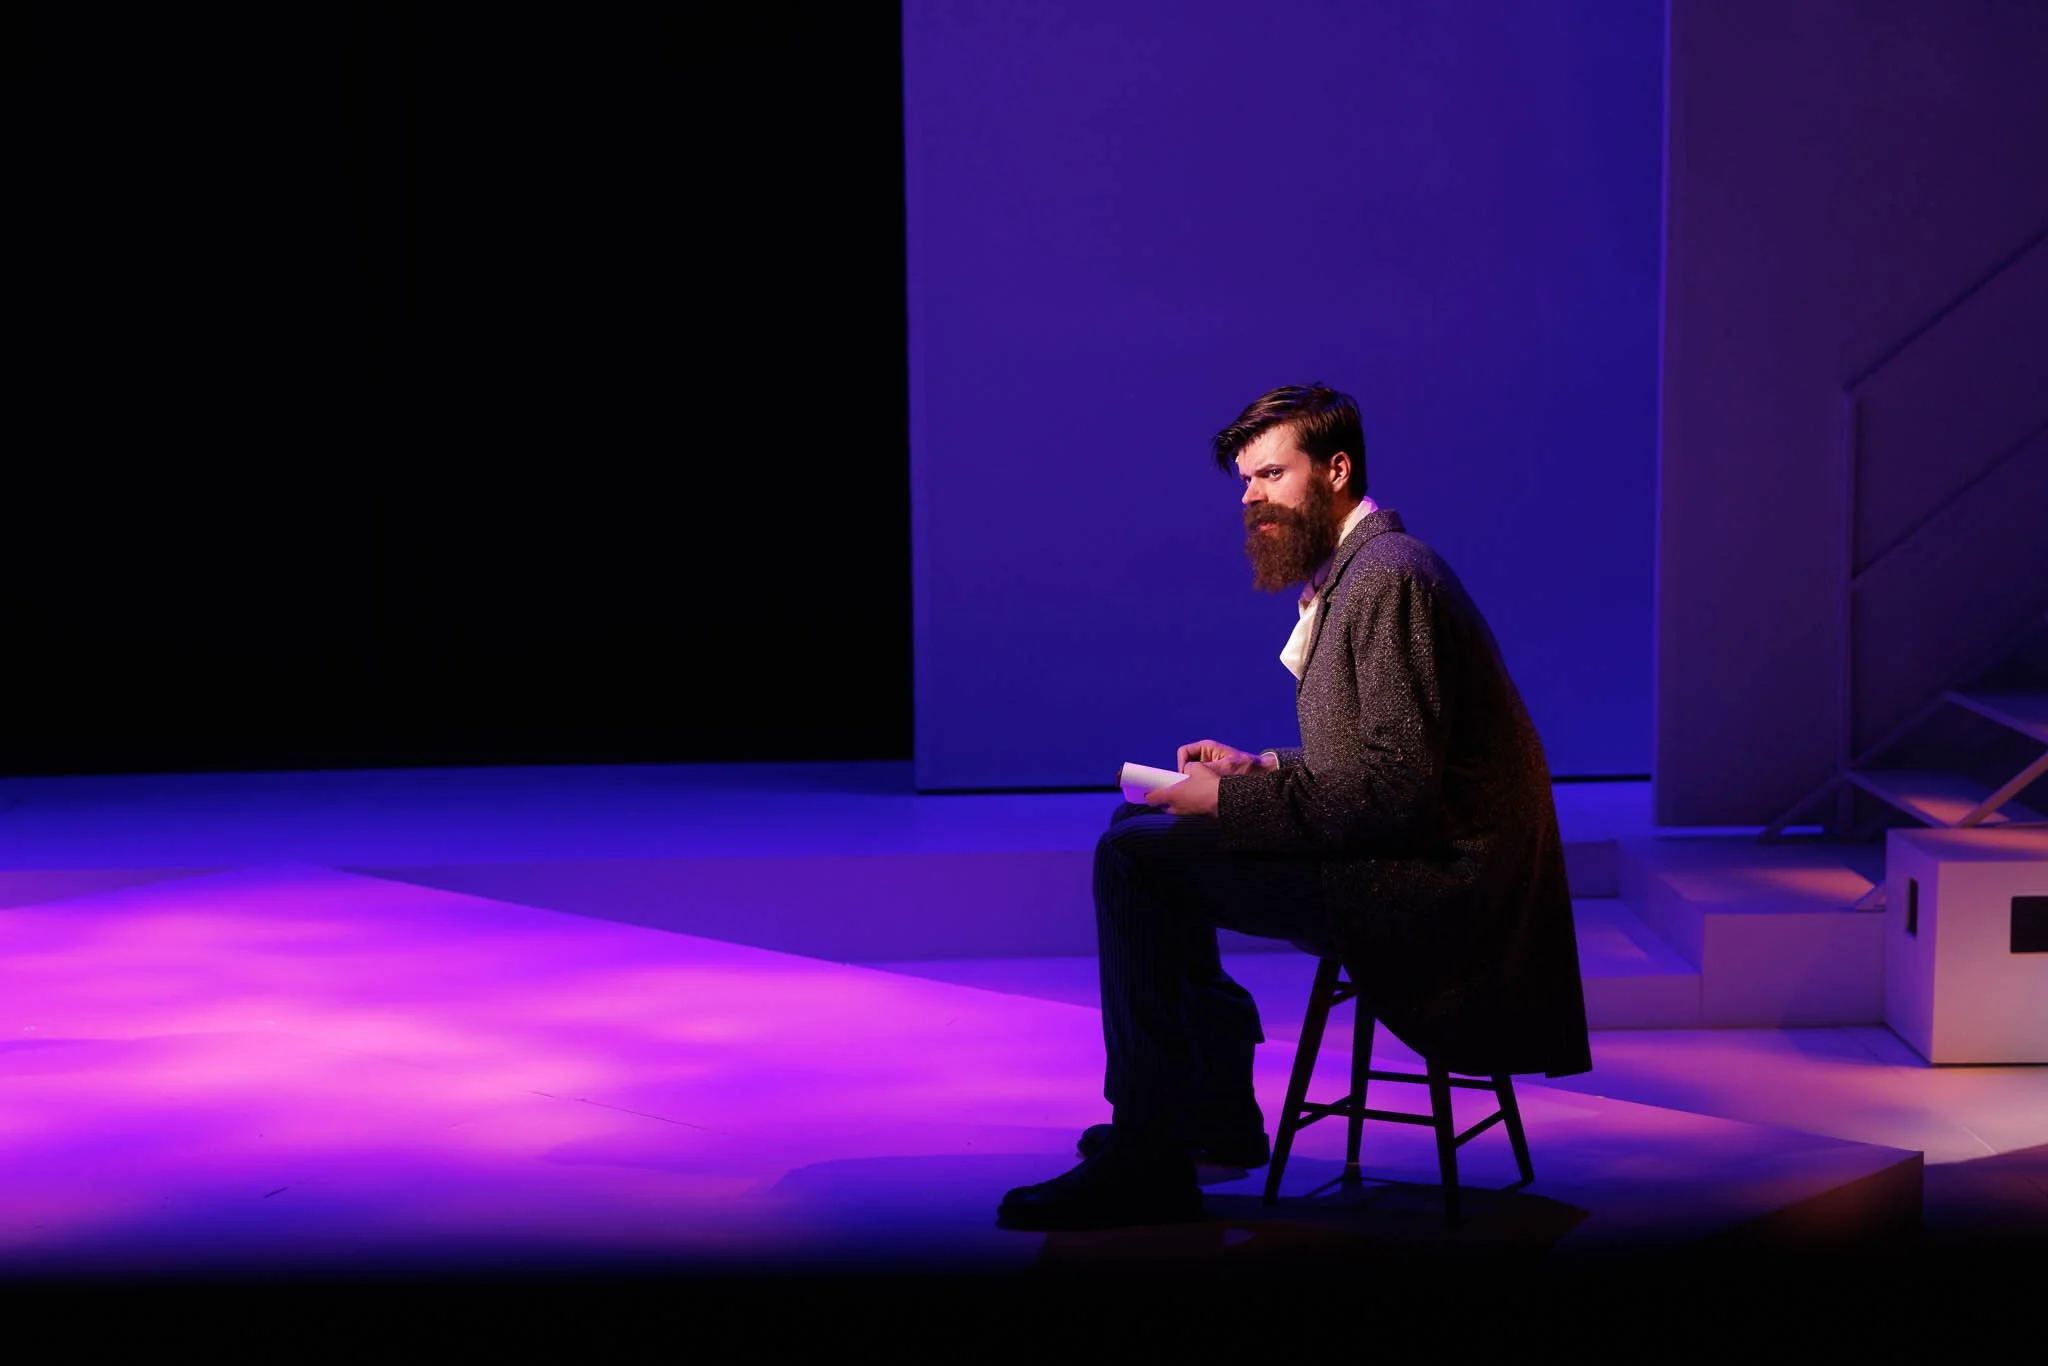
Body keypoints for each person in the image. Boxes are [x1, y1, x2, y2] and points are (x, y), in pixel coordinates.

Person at [996, 382, 1590, 1230]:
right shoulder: (1358, 575)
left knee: (1133, 859)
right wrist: (1256, 769)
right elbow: (1383, 760)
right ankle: (1211, 1113)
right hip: (1406, 854)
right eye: (1245, 482)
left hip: (1433, 888)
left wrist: (1232, 808)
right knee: (1143, 829)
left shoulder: (1388, 578)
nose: (1251, 500)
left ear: (1337, 470)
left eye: (1270, 475)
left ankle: (1150, 1151)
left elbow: (1394, 792)